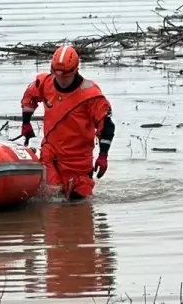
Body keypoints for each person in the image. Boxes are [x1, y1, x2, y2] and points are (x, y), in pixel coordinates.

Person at [19, 44, 115, 200]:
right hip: (51, 153)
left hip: (78, 160)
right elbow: (30, 97)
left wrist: (103, 155)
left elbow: (106, 126)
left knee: (79, 201)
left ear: (75, 70)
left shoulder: (91, 95)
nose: (62, 81)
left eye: (66, 77)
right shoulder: (45, 83)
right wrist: (26, 123)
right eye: (58, 76)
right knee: (52, 197)